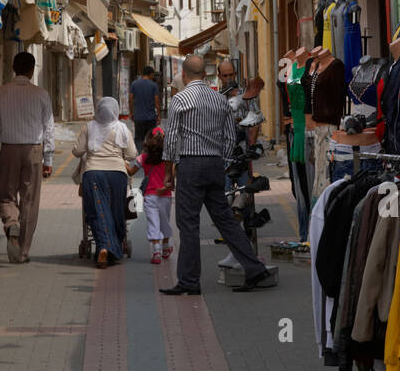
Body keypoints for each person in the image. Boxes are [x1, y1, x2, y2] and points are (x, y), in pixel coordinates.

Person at [160, 55, 277, 295]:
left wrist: (168, 172)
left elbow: (171, 138)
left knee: (189, 224)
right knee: (225, 220)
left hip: (190, 165)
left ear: (184, 75)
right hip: (214, 164)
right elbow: (230, 137)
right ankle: (255, 268)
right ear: (206, 75)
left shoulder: (180, 99)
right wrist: (222, 162)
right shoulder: (219, 99)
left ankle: (189, 281)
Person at [0, 51, 54, 264]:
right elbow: (48, 127)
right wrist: (48, 159)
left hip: (8, 150)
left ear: (13, 68)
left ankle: (11, 222)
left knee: (6, 196)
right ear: (32, 70)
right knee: (30, 201)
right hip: (33, 150)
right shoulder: (41, 94)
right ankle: (22, 252)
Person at [73, 97, 138, 268]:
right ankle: (111, 248)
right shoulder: (123, 128)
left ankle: (103, 247)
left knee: (97, 209)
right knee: (116, 211)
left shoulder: (89, 127)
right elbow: (132, 155)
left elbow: (77, 151)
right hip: (117, 174)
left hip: (93, 173)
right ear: (115, 111)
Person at [140, 127, 174, 264]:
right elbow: (172, 182)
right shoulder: (168, 161)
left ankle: (156, 252)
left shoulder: (143, 158)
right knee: (164, 222)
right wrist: (164, 187)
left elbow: (131, 170)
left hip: (149, 197)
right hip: (165, 196)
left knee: (153, 223)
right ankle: (165, 248)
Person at [131, 65, 161, 146]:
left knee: (138, 140)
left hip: (138, 118)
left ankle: (139, 157)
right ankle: (149, 157)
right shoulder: (154, 85)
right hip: (151, 118)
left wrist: (132, 113)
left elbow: (130, 99)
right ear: (150, 74)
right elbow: (157, 102)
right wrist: (158, 115)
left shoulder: (134, 84)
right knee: (151, 140)